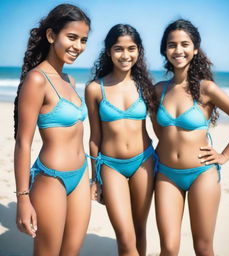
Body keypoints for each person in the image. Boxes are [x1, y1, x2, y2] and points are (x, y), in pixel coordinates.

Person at [152, 19, 229, 256]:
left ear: (195, 48)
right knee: (168, 248)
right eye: (171, 45)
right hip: (166, 174)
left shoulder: (205, 88)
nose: (178, 50)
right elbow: (159, 130)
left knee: (203, 247)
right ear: (165, 50)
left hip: (202, 173)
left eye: (185, 44)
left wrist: (224, 155)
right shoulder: (159, 90)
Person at [13, 4, 91, 255]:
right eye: (71, 37)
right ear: (50, 36)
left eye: (83, 40)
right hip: (51, 178)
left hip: (80, 176)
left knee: (72, 252)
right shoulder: (37, 80)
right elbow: (23, 143)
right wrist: (23, 199)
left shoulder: (70, 80)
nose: (77, 46)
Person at [85, 24, 157, 256]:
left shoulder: (145, 87)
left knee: (139, 230)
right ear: (108, 51)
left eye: (131, 49)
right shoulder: (95, 89)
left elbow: (163, 127)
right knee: (126, 239)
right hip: (111, 166)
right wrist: (95, 177)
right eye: (118, 49)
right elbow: (94, 137)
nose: (125, 55)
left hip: (144, 162)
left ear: (139, 51)